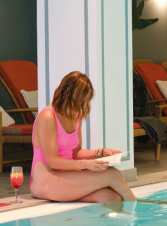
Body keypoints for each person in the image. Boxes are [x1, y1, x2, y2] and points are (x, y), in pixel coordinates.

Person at [30, 71, 136, 203]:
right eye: (79, 101)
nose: (81, 106)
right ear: (67, 95)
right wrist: (86, 164)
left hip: (68, 177)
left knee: (112, 198)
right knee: (113, 174)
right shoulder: (48, 117)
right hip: (47, 179)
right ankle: (138, 213)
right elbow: (52, 161)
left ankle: (119, 220)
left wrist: (101, 153)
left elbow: (75, 153)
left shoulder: (75, 115)